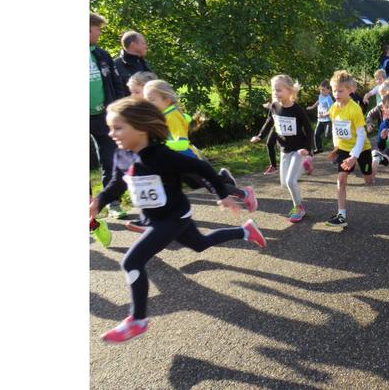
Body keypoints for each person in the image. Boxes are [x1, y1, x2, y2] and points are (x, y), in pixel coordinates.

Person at [90, 97, 267, 343]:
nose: (111, 134)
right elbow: (117, 183)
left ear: (141, 127)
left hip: (174, 216)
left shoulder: (161, 156)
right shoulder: (123, 155)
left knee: (131, 262)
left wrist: (222, 194)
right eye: (110, 128)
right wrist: (99, 200)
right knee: (199, 244)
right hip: (156, 219)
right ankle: (245, 231)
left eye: (118, 128)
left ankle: (137, 320)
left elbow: (202, 169)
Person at [142, 79, 258, 211]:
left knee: (212, 187)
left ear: (167, 100)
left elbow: (182, 143)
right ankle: (222, 177)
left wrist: (161, 144)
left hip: (188, 158)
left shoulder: (171, 116)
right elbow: (185, 118)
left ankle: (245, 194)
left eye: (152, 100)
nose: (148, 104)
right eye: (146, 100)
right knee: (194, 184)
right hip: (176, 160)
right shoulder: (165, 114)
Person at [251, 75, 314, 221]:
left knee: (291, 181)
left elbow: (309, 130)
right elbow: (269, 121)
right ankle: (306, 165)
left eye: (279, 90)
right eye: (274, 90)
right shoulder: (274, 106)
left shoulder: (297, 109)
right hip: (284, 149)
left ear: (290, 91)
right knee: (284, 184)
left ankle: (299, 208)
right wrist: (260, 136)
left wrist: (307, 148)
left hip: (298, 149)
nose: (276, 93)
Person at [90, 12, 129, 219]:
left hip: (103, 116)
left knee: (110, 159)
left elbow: (116, 84)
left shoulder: (102, 55)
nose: (99, 33)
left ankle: (113, 202)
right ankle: (90, 211)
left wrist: (118, 109)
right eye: (97, 28)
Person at [325, 71, 374, 228]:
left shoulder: (355, 109)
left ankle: (377, 159)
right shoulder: (333, 108)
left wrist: (355, 156)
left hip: (362, 148)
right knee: (341, 180)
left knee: (369, 180)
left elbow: (361, 135)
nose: (336, 94)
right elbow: (335, 129)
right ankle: (341, 215)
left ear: (349, 90)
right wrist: (336, 148)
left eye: (340, 91)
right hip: (344, 149)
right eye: (334, 90)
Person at [306, 80, 334, 154]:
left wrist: (324, 115)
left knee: (328, 135)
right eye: (320, 90)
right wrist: (312, 107)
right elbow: (318, 102)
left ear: (328, 90)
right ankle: (319, 149)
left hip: (328, 120)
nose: (321, 91)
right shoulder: (320, 96)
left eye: (323, 90)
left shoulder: (329, 98)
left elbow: (332, 110)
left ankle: (337, 149)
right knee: (316, 134)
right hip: (320, 120)